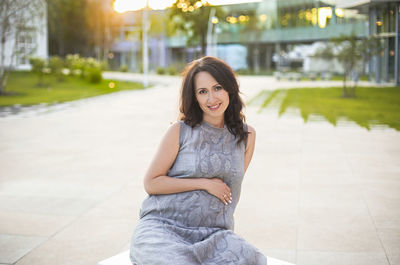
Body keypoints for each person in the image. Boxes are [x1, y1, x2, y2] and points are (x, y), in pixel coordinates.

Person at [130, 56, 267, 265]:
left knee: (254, 259)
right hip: (163, 228)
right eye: (202, 92)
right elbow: (151, 182)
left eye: (217, 88)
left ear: (230, 88)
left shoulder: (246, 137)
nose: (211, 98)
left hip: (214, 234)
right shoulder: (180, 131)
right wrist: (204, 184)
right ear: (194, 97)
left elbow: (231, 189)